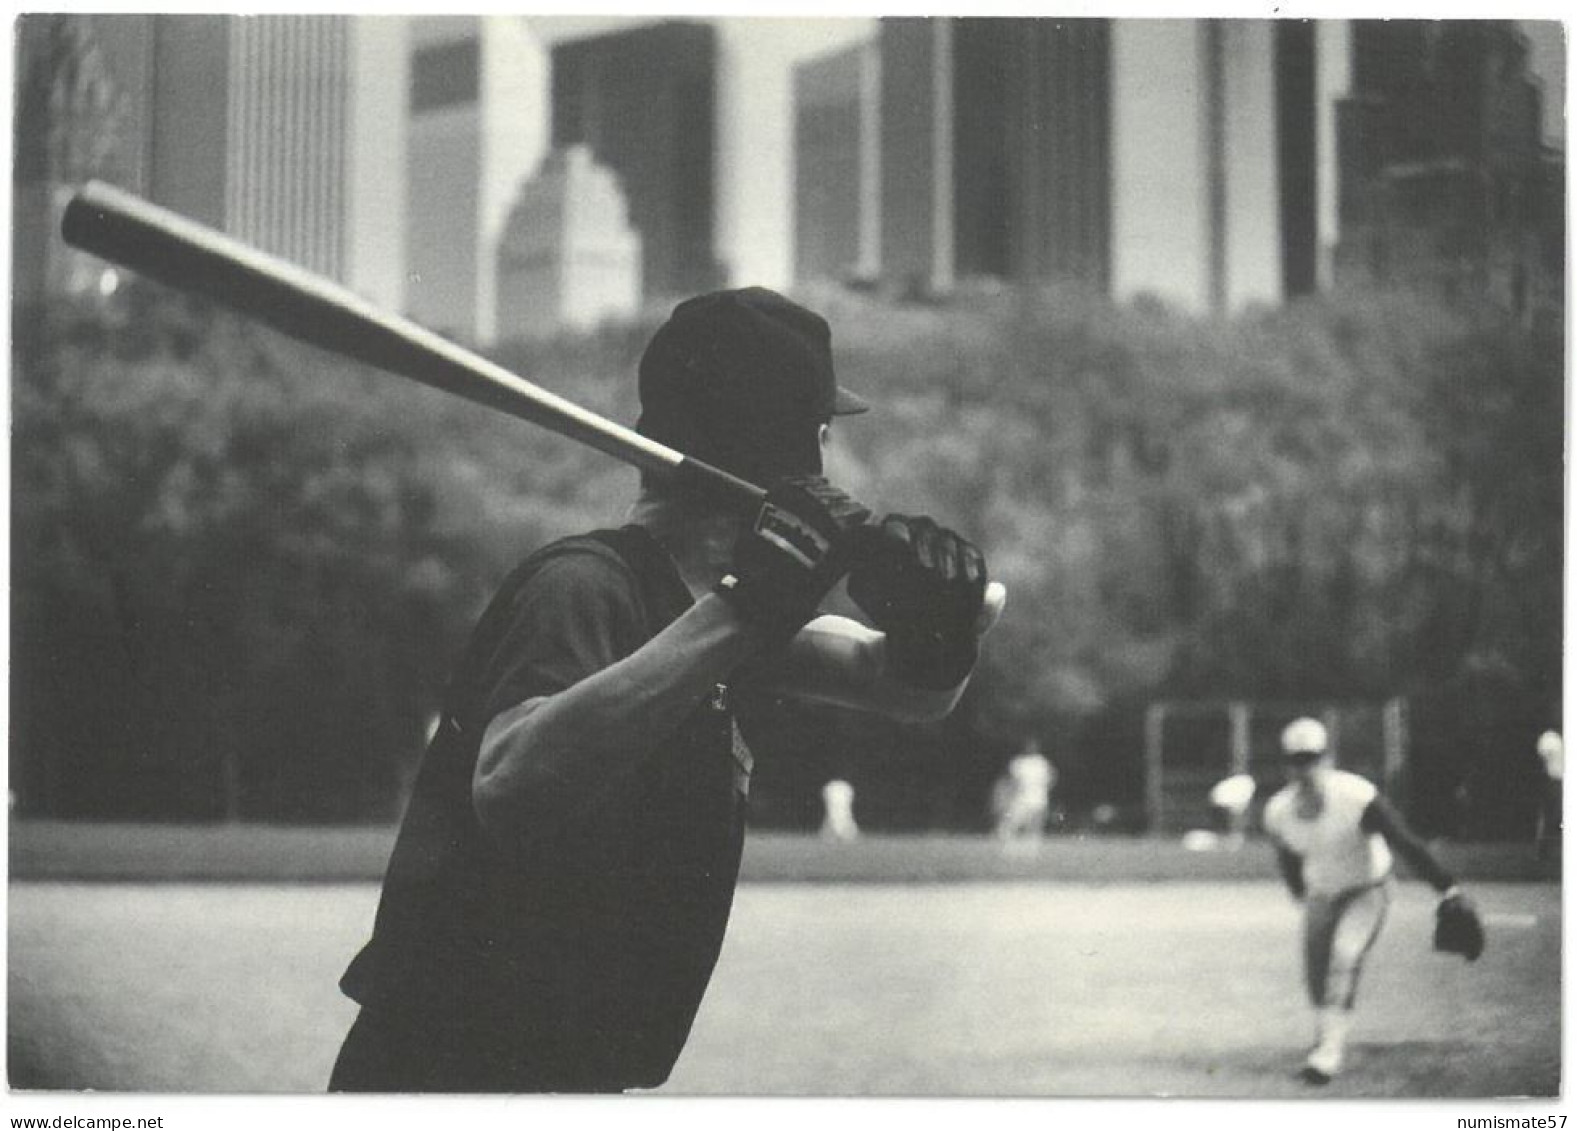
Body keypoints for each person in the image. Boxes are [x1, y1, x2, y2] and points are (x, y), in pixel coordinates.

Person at [328, 287, 1000, 1093]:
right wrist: (746, 602)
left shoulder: (715, 620)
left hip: (572, 1081)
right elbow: (509, 783)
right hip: (449, 1073)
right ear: (801, 454)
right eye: (823, 436)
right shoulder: (583, 585)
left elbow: (901, 687)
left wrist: (941, 631)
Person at [1262, 717, 1467, 1085]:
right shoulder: (1278, 811)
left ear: (1327, 759)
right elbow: (1288, 856)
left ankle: (1329, 1053)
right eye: (1297, 759)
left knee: (1345, 956)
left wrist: (1446, 887)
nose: (1305, 767)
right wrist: (1299, 891)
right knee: (1316, 979)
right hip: (1321, 896)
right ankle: (1327, 1033)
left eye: (1312, 758)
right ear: (1286, 765)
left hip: (1367, 890)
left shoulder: (1355, 797)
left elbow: (1405, 842)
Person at [994, 738, 1054, 854]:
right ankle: (1008, 848)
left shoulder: (1042, 762)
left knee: (1035, 826)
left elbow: (1051, 777)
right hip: (1021, 799)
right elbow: (1012, 782)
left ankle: (1032, 851)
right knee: (1011, 824)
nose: (1031, 748)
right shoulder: (1018, 762)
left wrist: (1045, 789)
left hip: (1039, 799)